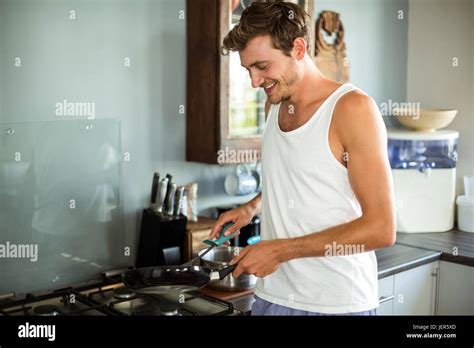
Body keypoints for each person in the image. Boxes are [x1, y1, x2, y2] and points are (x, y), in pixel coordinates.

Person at [209, 2, 396, 316]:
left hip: (335, 304)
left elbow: (381, 228)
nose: (255, 82)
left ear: (298, 48)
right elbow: (302, 178)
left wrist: (281, 251)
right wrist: (253, 206)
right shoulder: (277, 104)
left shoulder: (352, 109)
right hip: (272, 297)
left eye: (263, 66)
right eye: (248, 69)